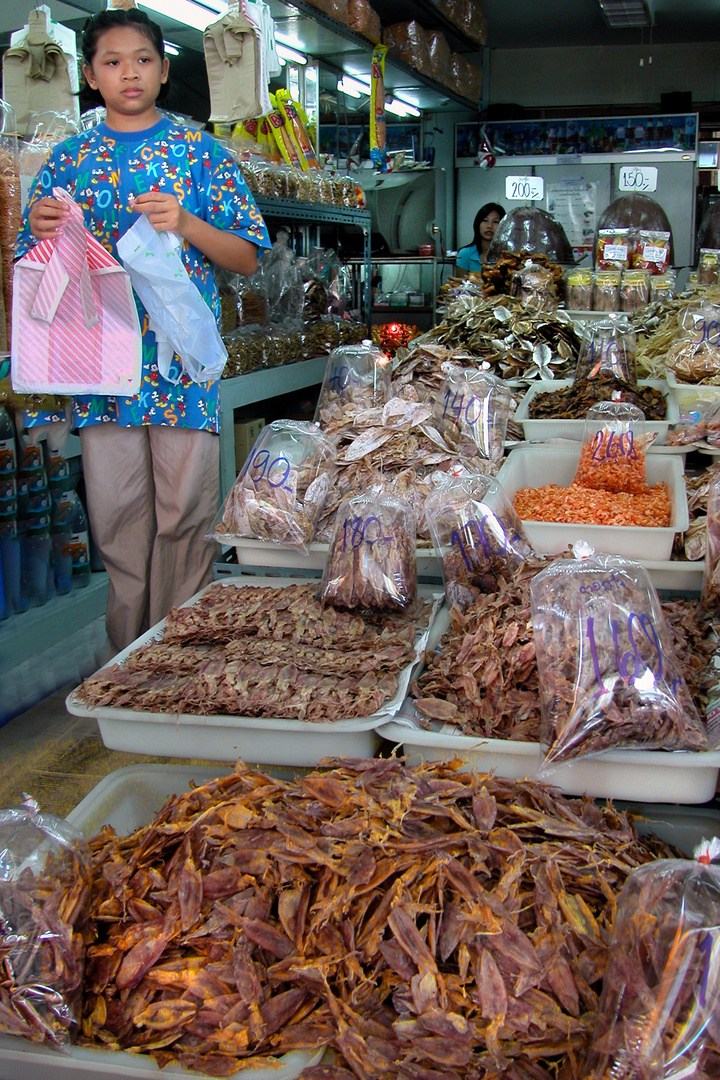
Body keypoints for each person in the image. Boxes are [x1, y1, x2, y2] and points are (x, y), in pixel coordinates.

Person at [16, 8, 271, 656]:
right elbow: (26, 269)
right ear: (91, 76)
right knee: (119, 526)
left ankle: (177, 659)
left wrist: (185, 222)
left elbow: (246, 257)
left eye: (142, 59)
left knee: (183, 521)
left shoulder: (199, 154)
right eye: (111, 61)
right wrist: (41, 231)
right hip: (99, 368)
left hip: (179, 366)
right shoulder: (68, 161)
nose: (128, 72)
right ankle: (127, 663)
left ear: (162, 69)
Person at [455, 202, 505, 277]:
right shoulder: (465, 254)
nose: (489, 226)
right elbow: (460, 285)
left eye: (495, 222)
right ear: (478, 224)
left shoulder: (508, 257)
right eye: (485, 220)